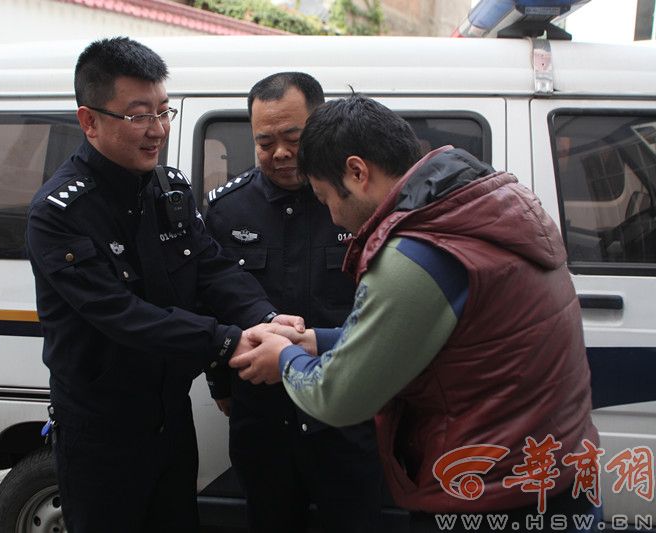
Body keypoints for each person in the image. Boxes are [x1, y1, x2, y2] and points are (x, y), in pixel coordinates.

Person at [230, 95, 601, 532]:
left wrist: (285, 358)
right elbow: (431, 333)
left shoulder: (417, 251)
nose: (333, 217)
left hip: (485, 497)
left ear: (357, 172)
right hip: (554, 476)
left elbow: (338, 398)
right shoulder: (491, 204)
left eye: (326, 198)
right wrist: (314, 341)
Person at [25, 37, 300, 533]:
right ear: (89, 121)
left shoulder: (168, 189)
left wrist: (265, 318)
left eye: (163, 111)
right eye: (138, 116)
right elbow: (121, 315)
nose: (157, 130)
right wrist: (229, 341)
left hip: (171, 417)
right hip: (102, 431)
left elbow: (212, 268)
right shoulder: (60, 213)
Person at [204, 73, 384, 533]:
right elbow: (212, 298)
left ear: (319, 126)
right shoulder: (227, 210)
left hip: (344, 414)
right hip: (263, 420)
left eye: (293, 138)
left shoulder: (357, 201)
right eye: (265, 143)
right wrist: (221, 383)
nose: (280, 153)